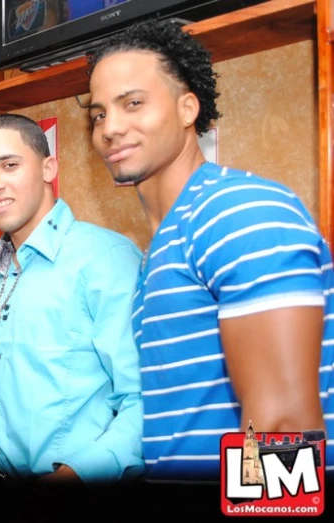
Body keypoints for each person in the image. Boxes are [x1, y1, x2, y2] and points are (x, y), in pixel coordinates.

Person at [87, 18, 334, 481]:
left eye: (133, 103)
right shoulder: (166, 242)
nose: (110, 128)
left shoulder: (237, 213)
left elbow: (284, 426)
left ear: (187, 109)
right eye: (99, 114)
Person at [0, 113, 144, 484]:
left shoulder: (105, 258)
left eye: (9, 165)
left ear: (48, 168)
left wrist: (75, 476)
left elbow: (143, 400)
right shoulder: (0, 264)